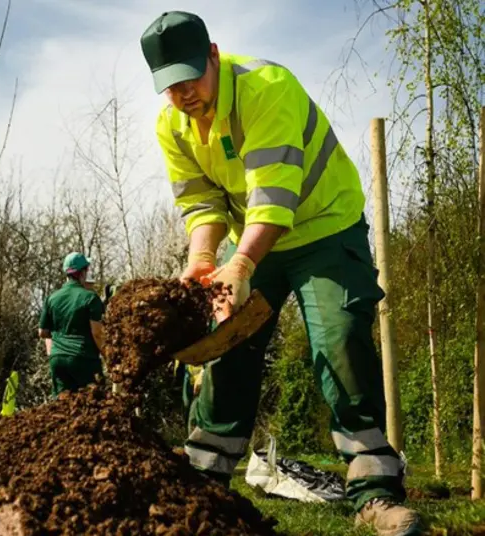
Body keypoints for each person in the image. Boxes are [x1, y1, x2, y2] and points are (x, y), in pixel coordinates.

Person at [139, 11, 420, 536]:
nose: (183, 94)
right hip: (257, 238)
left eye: (190, 78)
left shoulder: (267, 88)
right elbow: (201, 204)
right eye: (169, 86)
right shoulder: (171, 125)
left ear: (214, 56)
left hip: (323, 228)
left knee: (338, 338)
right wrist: (204, 261)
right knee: (225, 343)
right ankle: (202, 488)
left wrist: (242, 264)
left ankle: (375, 491)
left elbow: (273, 196)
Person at [38, 252, 106, 397]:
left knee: (62, 408)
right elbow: (97, 333)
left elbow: (43, 332)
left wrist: (54, 351)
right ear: (82, 273)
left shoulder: (51, 298)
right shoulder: (90, 297)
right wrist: (108, 355)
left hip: (58, 360)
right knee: (94, 405)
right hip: (83, 359)